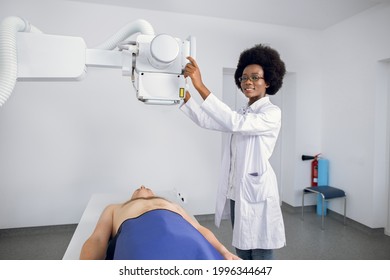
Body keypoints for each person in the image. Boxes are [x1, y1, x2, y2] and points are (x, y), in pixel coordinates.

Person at [180, 44, 286, 260]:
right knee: (242, 248)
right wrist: (184, 95)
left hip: (257, 192)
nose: (248, 82)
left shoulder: (271, 112)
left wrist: (200, 85)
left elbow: (234, 123)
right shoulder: (243, 112)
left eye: (255, 77)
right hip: (237, 191)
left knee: (261, 251)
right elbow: (206, 119)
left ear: (268, 81)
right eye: (244, 77)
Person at [80, 185, 239, 260]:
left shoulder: (172, 205)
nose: (142, 186)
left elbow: (199, 229)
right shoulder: (115, 208)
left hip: (187, 238)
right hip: (140, 239)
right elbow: (98, 239)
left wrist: (224, 252)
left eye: (147, 187)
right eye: (138, 188)